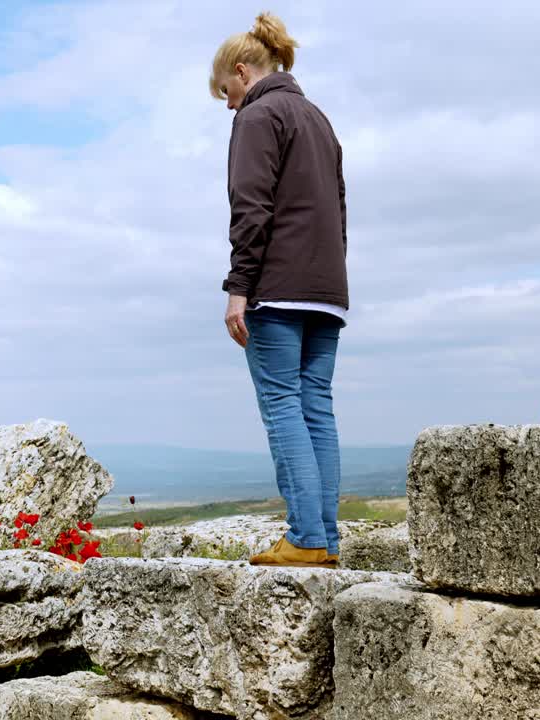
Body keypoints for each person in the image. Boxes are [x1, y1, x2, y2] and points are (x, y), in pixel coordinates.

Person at [211, 12, 349, 568]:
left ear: (243, 73)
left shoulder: (258, 114)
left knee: (282, 405)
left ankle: (305, 538)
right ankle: (326, 541)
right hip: (327, 290)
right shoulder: (318, 118)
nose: (227, 104)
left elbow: (251, 209)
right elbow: (338, 212)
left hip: (278, 287)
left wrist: (239, 288)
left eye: (225, 90)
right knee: (317, 407)